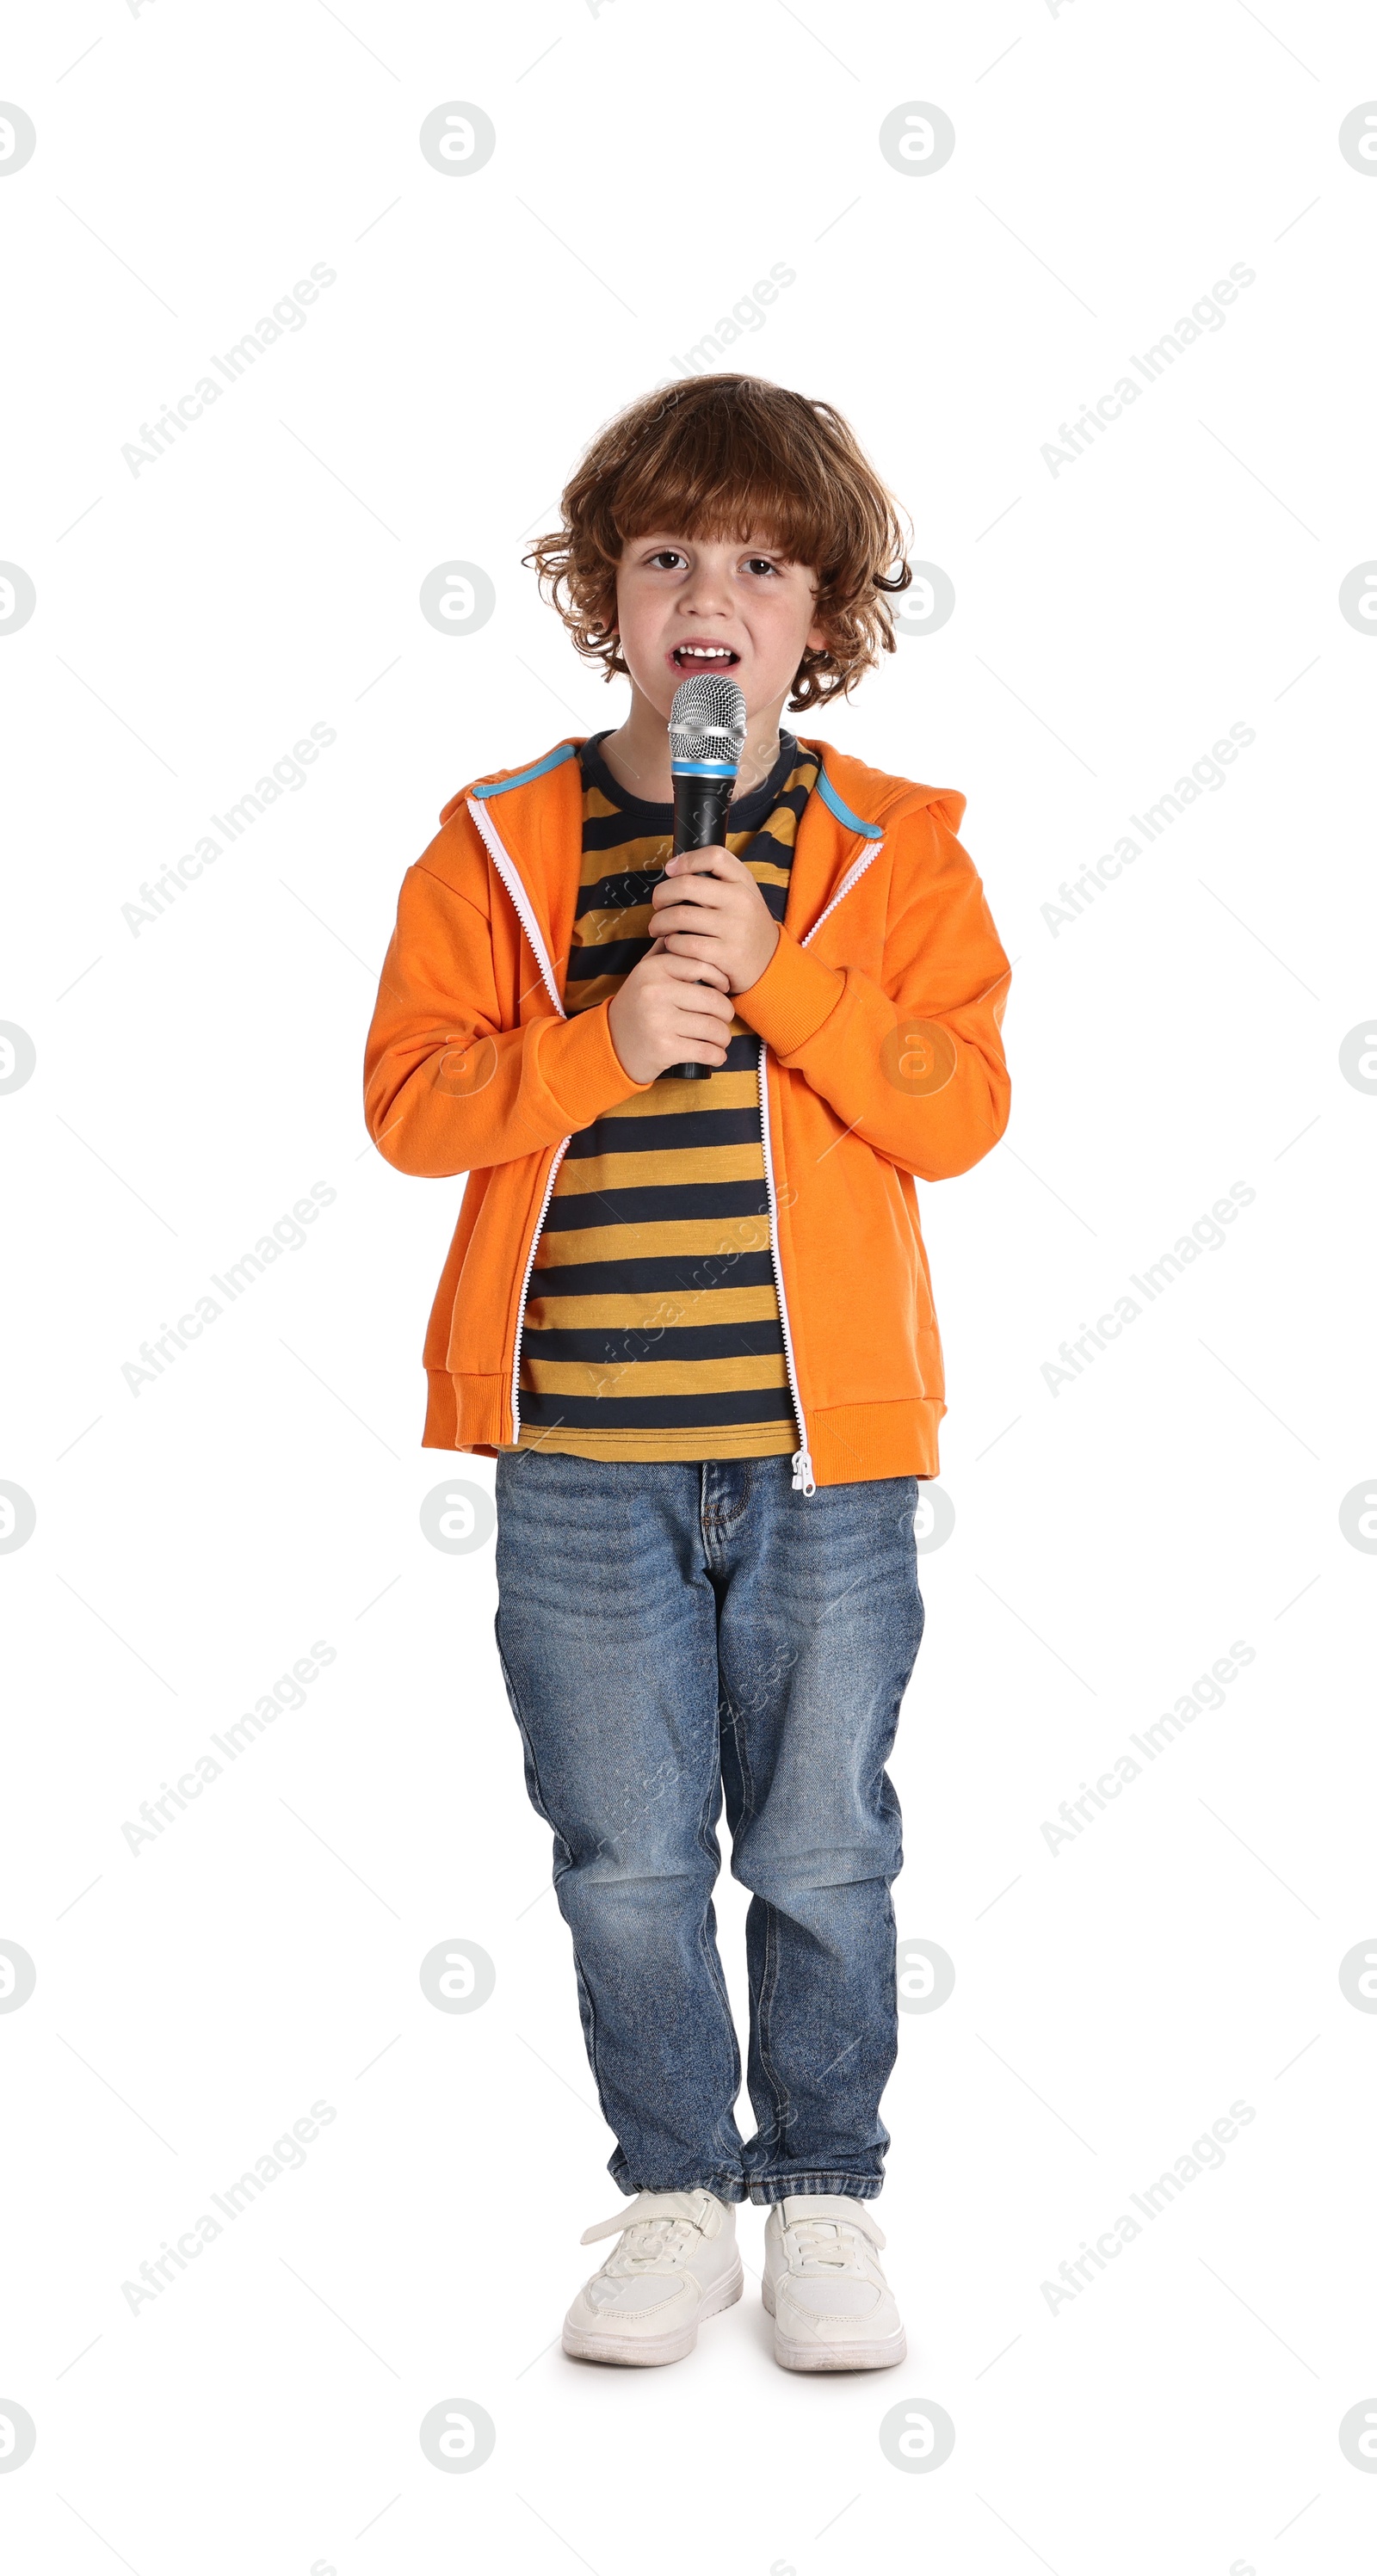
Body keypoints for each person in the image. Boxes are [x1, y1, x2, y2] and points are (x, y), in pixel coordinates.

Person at [363, 373, 1011, 2372]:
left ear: (826, 615)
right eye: (662, 556)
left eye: (758, 559)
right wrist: (606, 1034)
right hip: (578, 1461)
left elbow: (957, 1110)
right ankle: (670, 2191)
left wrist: (787, 974)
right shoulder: (497, 843)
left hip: (822, 1465)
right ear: (600, 594)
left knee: (821, 1835)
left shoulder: (890, 851)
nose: (706, 593)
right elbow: (411, 1106)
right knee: (624, 1848)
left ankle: (822, 2192)